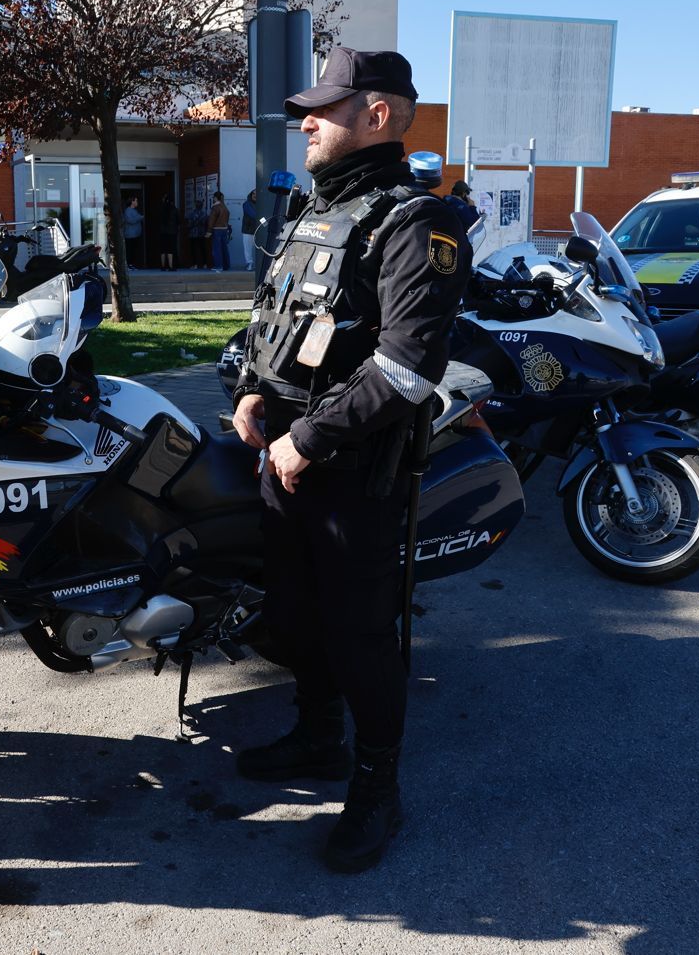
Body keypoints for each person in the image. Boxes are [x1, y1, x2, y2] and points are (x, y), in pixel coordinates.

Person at [230, 48, 472, 873]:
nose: (306, 120)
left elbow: (408, 365)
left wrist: (311, 437)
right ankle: (315, 734)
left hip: (352, 469)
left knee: (360, 637)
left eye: (324, 108)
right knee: (292, 621)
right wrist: (252, 388)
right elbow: (277, 320)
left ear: (377, 115)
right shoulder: (312, 209)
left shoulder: (416, 222)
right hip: (285, 454)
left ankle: (378, 788)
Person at [156, 193, 181, 271]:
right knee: (171, 249)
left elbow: (158, 220)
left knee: (163, 249)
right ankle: (171, 266)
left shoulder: (161, 209)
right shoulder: (174, 209)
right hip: (172, 232)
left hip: (162, 232)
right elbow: (178, 221)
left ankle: (163, 266)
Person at [208, 190, 232, 271]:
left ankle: (218, 266)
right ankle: (226, 265)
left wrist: (209, 230)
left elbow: (211, 220)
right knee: (224, 248)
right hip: (224, 230)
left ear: (215, 198)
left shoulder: (215, 207)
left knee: (216, 249)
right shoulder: (225, 207)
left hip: (216, 230)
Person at [121, 195, 144, 268]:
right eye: (136, 201)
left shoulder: (135, 210)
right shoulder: (128, 210)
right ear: (132, 202)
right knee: (130, 250)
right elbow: (130, 220)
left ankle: (132, 264)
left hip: (135, 234)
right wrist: (140, 217)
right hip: (130, 235)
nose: (137, 202)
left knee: (134, 250)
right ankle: (129, 264)